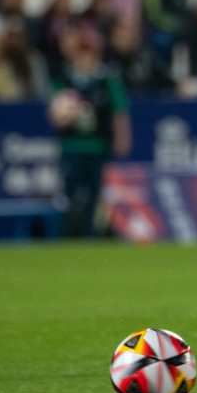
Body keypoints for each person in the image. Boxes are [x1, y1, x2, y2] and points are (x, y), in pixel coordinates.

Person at [50, 29, 132, 237]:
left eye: (89, 55)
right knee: (70, 194)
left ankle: (91, 235)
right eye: (81, 55)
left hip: (98, 145)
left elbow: (119, 111)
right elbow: (53, 113)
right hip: (72, 145)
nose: (85, 60)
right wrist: (63, 116)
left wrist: (122, 139)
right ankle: (66, 235)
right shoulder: (66, 80)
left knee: (96, 193)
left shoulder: (107, 81)